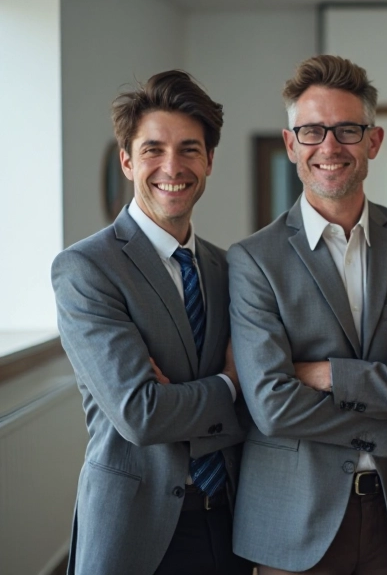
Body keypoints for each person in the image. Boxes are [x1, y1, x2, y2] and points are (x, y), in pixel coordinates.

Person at [228, 55, 387, 575]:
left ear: (373, 141)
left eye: (347, 130)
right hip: (293, 519)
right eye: (311, 131)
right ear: (291, 144)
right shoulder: (252, 260)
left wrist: (326, 374)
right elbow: (272, 406)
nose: (329, 147)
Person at [51, 70, 250, 575]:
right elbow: (141, 414)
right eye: (152, 149)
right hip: (134, 529)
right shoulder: (87, 268)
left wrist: (179, 400)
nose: (172, 166)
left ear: (208, 161)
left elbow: (263, 397)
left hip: (228, 522)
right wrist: (229, 384)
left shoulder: (228, 269)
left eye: (189, 149)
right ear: (127, 160)